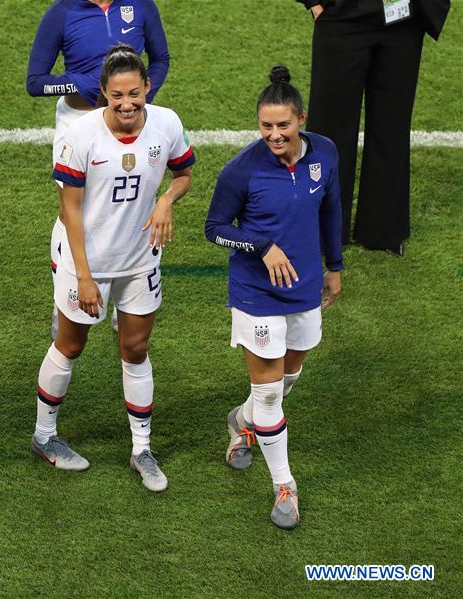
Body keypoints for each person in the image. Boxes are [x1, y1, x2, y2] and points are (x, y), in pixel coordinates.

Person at [31, 44, 194, 492]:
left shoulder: (167, 123)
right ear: (103, 92)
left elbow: (184, 173)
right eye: (117, 95)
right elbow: (69, 210)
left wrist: (166, 200)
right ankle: (44, 436)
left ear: (147, 88)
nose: (127, 104)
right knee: (70, 344)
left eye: (134, 94)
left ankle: (141, 449)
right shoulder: (81, 135)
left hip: (140, 257)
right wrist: (84, 277)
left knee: (136, 347)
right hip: (87, 259)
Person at [204, 65, 343, 529]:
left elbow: (332, 208)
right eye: (266, 126)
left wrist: (335, 266)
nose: (274, 135)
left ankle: (240, 420)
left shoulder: (325, 153)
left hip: (303, 288)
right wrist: (261, 246)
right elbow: (214, 229)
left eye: (283, 125)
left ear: (301, 119)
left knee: (288, 377)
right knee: (269, 395)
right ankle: (285, 486)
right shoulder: (242, 170)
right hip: (256, 293)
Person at [27, 0, 170, 338]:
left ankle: (130, 295)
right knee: (71, 209)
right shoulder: (62, 13)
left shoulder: (141, 6)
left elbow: (160, 59)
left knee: (132, 201)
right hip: (77, 121)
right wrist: (76, 84)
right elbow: (35, 82)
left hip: (128, 119)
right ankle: (65, 294)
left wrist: (139, 100)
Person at [298, 0, 450, 255]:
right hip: (341, 15)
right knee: (330, 128)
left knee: (392, 127)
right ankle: (324, 231)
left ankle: (384, 231)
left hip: (403, 19)